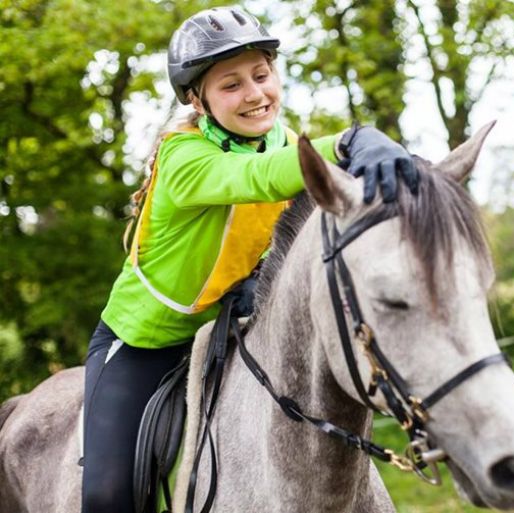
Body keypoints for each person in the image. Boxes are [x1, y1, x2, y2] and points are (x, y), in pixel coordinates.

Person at [80, 6, 419, 512]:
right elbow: (258, 178)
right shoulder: (183, 158)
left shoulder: (282, 142)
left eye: (262, 75)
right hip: (146, 343)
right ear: (199, 100)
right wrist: (350, 141)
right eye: (231, 85)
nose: (256, 94)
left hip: (236, 331)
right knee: (107, 496)